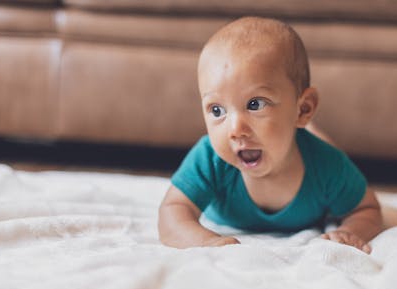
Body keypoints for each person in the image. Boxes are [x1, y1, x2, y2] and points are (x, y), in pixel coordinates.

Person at [158, 16, 384, 253]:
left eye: (255, 104)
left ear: (304, 108)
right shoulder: (209, 158)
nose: (235, 129)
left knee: (319, 144)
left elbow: (366, 210)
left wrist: (351, 231)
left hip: (310, 144)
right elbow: (172, 211)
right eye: (217, 110)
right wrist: (206, 241)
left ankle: (310, 130)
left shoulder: (326, 165)